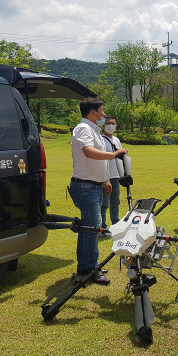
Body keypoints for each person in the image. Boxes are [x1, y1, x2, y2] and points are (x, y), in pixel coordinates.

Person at [69, 98, 128, 284]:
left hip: (93, 185)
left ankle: (85, 267)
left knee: (88, 228)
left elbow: (96, 161)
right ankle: (92, 268)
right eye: (102, 111)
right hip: (85, 186)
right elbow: (88, 151)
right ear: (93, 112)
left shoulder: (91, 129)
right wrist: (113, 154)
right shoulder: (83, 129)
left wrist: (105, 180)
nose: (104, 114)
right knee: (93, 227)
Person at [100, 115, 123, 229]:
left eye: (113, 124)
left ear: (116, 125)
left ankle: (116, 224)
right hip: (106, 177)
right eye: (108, 123)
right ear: (103, 125)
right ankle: (102, 226)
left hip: (116, 176)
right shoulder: (101, 140)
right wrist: (105, 179)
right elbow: (101, 160)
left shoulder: (117, 140)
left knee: (115, 202)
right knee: (104, 204)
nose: (110, 126)